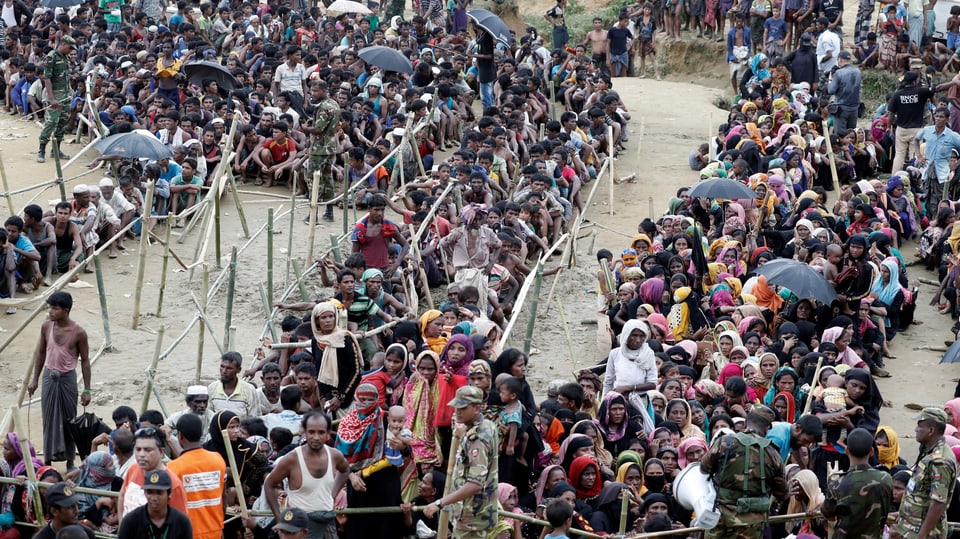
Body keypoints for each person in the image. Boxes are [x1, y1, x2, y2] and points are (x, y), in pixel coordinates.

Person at [421, 386, 498, 539]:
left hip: (473, 516)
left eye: (463, 408)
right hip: (474, 513)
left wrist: (439, 503)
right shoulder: (487, 426)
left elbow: (475, 484)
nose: (457, 411)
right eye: (456, 406)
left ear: (477, 408)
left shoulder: (477, 439)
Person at [701, 406, 788, 539]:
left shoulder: (725, 442)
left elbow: (704, 468)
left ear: (746, 423)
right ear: (767, 429)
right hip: (752, 526)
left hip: (721, 520)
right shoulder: (773, 454)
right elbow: (782, 493)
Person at [26, 291, 90, 469]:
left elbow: (85, 361)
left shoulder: (79, 333)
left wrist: (87, 389)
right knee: (48, 419)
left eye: (55, 308)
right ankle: (47, 461)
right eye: (50, 308)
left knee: (70, 420)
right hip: (49, 377)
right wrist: (35, 380)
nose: (51, 312)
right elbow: (40, 353)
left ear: (66, 311)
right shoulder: (46, 327)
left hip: (68, 380)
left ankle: (70, 460)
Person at [265, 411, 350, 539]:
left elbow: (345, 470)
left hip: (328, 520)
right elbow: (269, 484)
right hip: (301, 525)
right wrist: (279, 520)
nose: (316, 437)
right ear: (304, 432)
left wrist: (332, 494)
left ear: (328, 434)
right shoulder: (292, 459)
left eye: (321, 432)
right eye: (311, 432)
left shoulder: (334, 455)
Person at [891, 408, 958, 539]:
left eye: (920, 426)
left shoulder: (940, 461)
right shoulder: (931, 452)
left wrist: (921, 535)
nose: (916, 430)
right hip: (913, 528)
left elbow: (938, 503)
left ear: (931, 431)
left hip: (925, 533)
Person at [821, 427, 893, 538]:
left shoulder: (837, 484)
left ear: (847, 450)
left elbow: (828, 514)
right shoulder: (886, 479)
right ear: (871, 452)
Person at [164, 414, 226, 539]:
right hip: (215, 530)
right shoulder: (217, 459)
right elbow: (223, 499)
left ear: (180, 436)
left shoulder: (173, 468)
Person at [887, 72, 959, 175]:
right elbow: (939, 88)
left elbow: (891, 113)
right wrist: (954, 82)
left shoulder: (898, 94)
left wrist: (888, 127)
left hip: (901, 129)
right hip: (916, 129)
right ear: (914, 81)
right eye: (918, 79)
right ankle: (915, 178)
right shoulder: (920, 91)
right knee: (915, 155)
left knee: (899, 155)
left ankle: (894, 178)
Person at [302, 80, 340, 221]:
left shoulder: (324, 107)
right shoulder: (334, 104)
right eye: (312, 90)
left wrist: (306, 128)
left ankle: (314, 214)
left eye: (316, 91)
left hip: (319, 148)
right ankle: (329, 212)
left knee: (313, 180)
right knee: (327, 178)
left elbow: (318, 130)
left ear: (324, 90)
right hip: (330, 147)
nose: (313, 93)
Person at [116, 470, 193, 539]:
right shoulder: (130, 521)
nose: (154, 498)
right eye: (150, 492)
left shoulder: (182, 522)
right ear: (145, 493)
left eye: (159, 493)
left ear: (169, 494)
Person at [915, 107, 960, 217]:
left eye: (941, 117)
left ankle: (940, 221)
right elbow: (916, 140)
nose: (938, 119)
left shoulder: (952, 135)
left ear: (947, 119)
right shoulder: (927, 130)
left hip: (942, 172)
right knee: (927, 196)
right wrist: (919, 156)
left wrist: (956, 164)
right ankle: (930, 221)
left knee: (941, 199)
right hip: (927, 169)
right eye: (937, 116)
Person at [37, 36, 75, 163]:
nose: (70, 51)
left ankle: (56, 149)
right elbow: (47, 78)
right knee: (51, 122)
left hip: (65, 95)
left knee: (62, 122)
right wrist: (51, 98)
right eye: (69, 48)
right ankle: (41, 149)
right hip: (55, 95)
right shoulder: (51, 56)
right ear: (63, 44)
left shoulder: (65, 57)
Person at [207, 351, 259, 418]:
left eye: (229, 368)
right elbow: (208, 416)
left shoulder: (249, 390)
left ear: (239, 370)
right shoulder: (212, 388)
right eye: (222, 367)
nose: (224, 371)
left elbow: (254, 419)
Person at [827, 51, 862, 130]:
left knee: (840, 134)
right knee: (851, 133)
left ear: (840, 60)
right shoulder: (858, 71)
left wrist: (830, 78)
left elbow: (830, 90)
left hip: (842, 108)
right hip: (854, 108)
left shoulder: (839, 73)